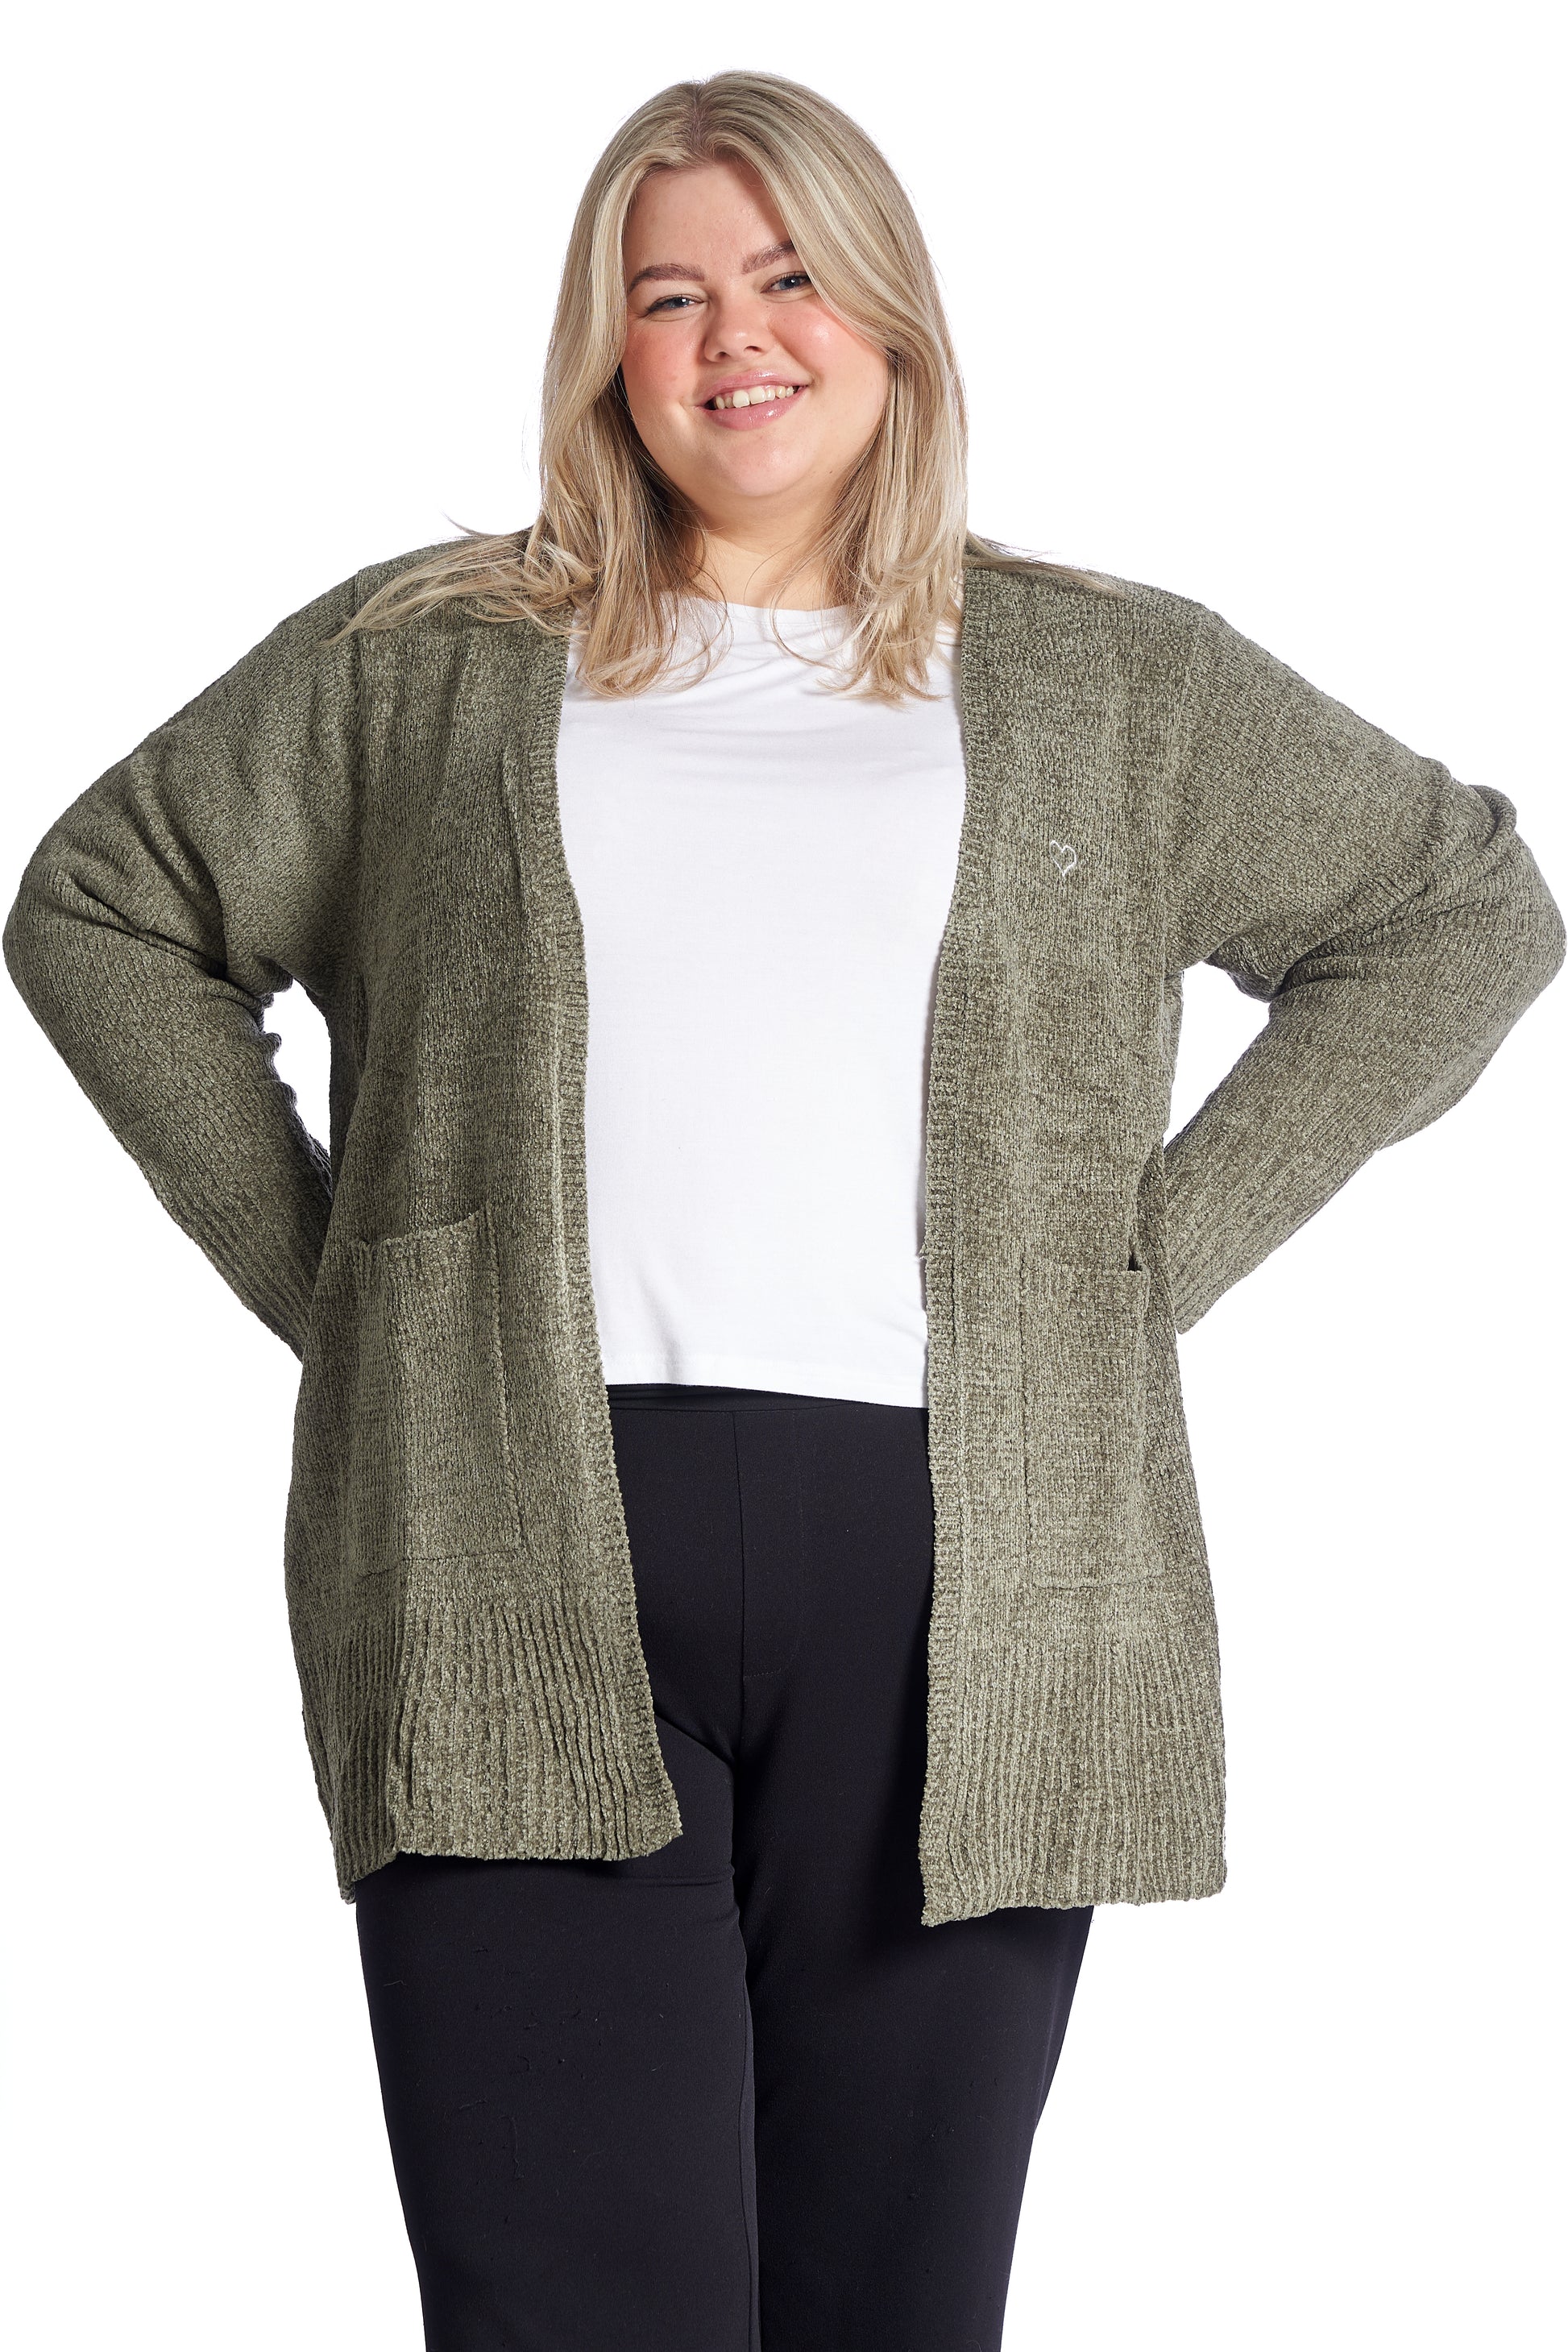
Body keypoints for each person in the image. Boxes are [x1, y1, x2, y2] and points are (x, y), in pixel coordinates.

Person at [5, 64, 1562, 2352]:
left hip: (970, 1582)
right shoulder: (423, 662)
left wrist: (1143, 1269)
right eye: (667, 295)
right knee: (571, 2308)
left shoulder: (1113, 680)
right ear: (606, 353)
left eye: (790, 273)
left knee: (892, 2312)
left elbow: (1457, 915)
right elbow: (103, 908)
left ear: (893, 318)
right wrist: (356, 1293)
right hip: (511, 1545)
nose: (735, 334)